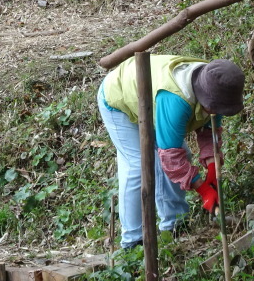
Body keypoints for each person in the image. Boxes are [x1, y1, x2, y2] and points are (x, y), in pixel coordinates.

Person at [97, 55, 245, 250]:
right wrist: (203, 189)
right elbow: (171, 159)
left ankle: (174, 225)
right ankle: (133, 240)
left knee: (180, 153)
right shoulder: (176, 100)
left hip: (152, 97)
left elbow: (209, 133)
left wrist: (211, 169)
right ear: (205, 98)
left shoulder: (214, 83)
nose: (217, 112)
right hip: (119, 99)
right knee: (138, 165)